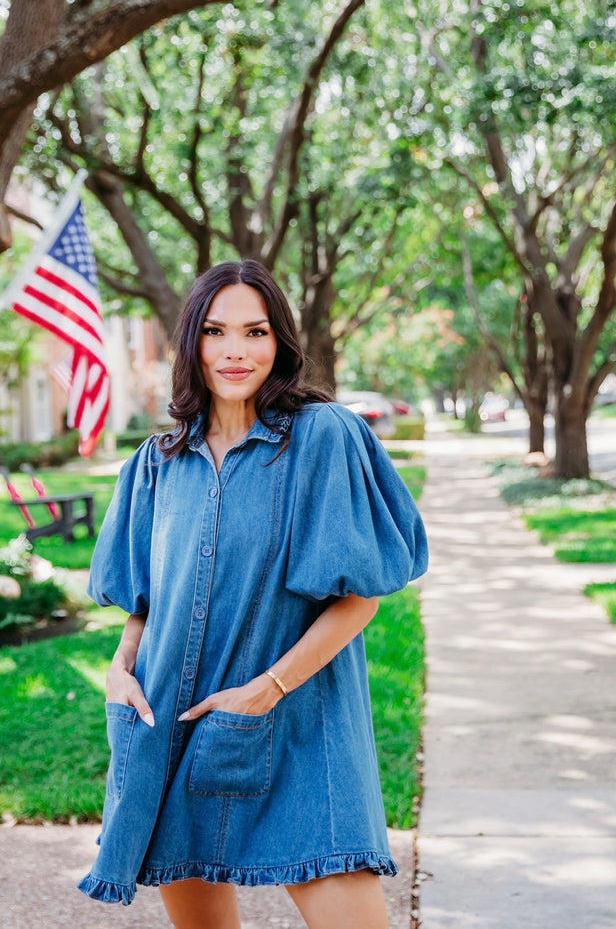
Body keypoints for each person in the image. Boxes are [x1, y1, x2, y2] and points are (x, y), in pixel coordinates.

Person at [79, 260, 428, 928]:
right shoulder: (159, 462)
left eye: (255, 331)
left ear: (280, 342)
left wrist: (264, 689)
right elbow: (143, 603)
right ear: (193, 344)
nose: (236, 351)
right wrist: (120, 671)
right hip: (173, 728)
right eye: (215, 331)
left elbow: (360, 598)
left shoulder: (325, 437)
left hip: (301, 725)